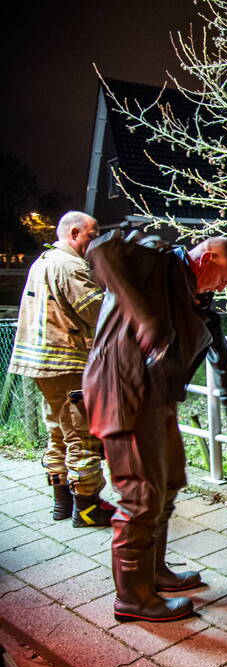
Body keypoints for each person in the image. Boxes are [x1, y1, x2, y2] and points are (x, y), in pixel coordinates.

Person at [83, 230, 227, 622]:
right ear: (207, 261)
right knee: (141, 495)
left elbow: (220, 358)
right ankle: (133, 596)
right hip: (124, 393)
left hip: (157, 399)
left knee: (170, 481)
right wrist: (146, 320)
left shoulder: (199, 302)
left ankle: (153, 572)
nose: (223, 288)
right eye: (224, 278)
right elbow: (100, 249)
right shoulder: (156, 260)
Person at [8, 211, 115, 526]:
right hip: (68, 363)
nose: (96, 240)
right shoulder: (70, 266)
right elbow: (98, 312)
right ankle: (88, 507)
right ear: (74, 233)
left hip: (42, 365)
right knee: (83, 436)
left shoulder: (43, 260)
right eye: (92, 234)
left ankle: (62, 503)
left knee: (58, 432)